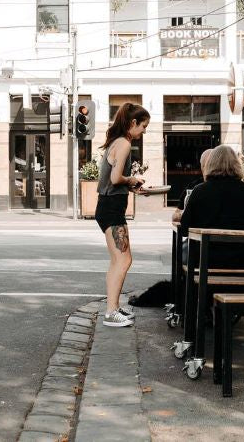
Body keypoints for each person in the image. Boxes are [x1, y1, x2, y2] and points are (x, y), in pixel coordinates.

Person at [95, 102, 150, 328]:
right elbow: (117, 178)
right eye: (143, 126)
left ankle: (114, 307)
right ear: (133, 123)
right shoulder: (124, 143)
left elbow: (113, 180)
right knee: (124, 259)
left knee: (118, 260)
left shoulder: (116, 142)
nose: (144, 131)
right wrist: (131, 180)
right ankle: (110, 311)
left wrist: (131, 186)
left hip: (107, 205)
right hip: (111, 208)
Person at [180, 145, 244, 269]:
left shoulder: (199, 191)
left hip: (206, 263)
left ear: (210, 164)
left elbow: (184, 228)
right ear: (236, 164)